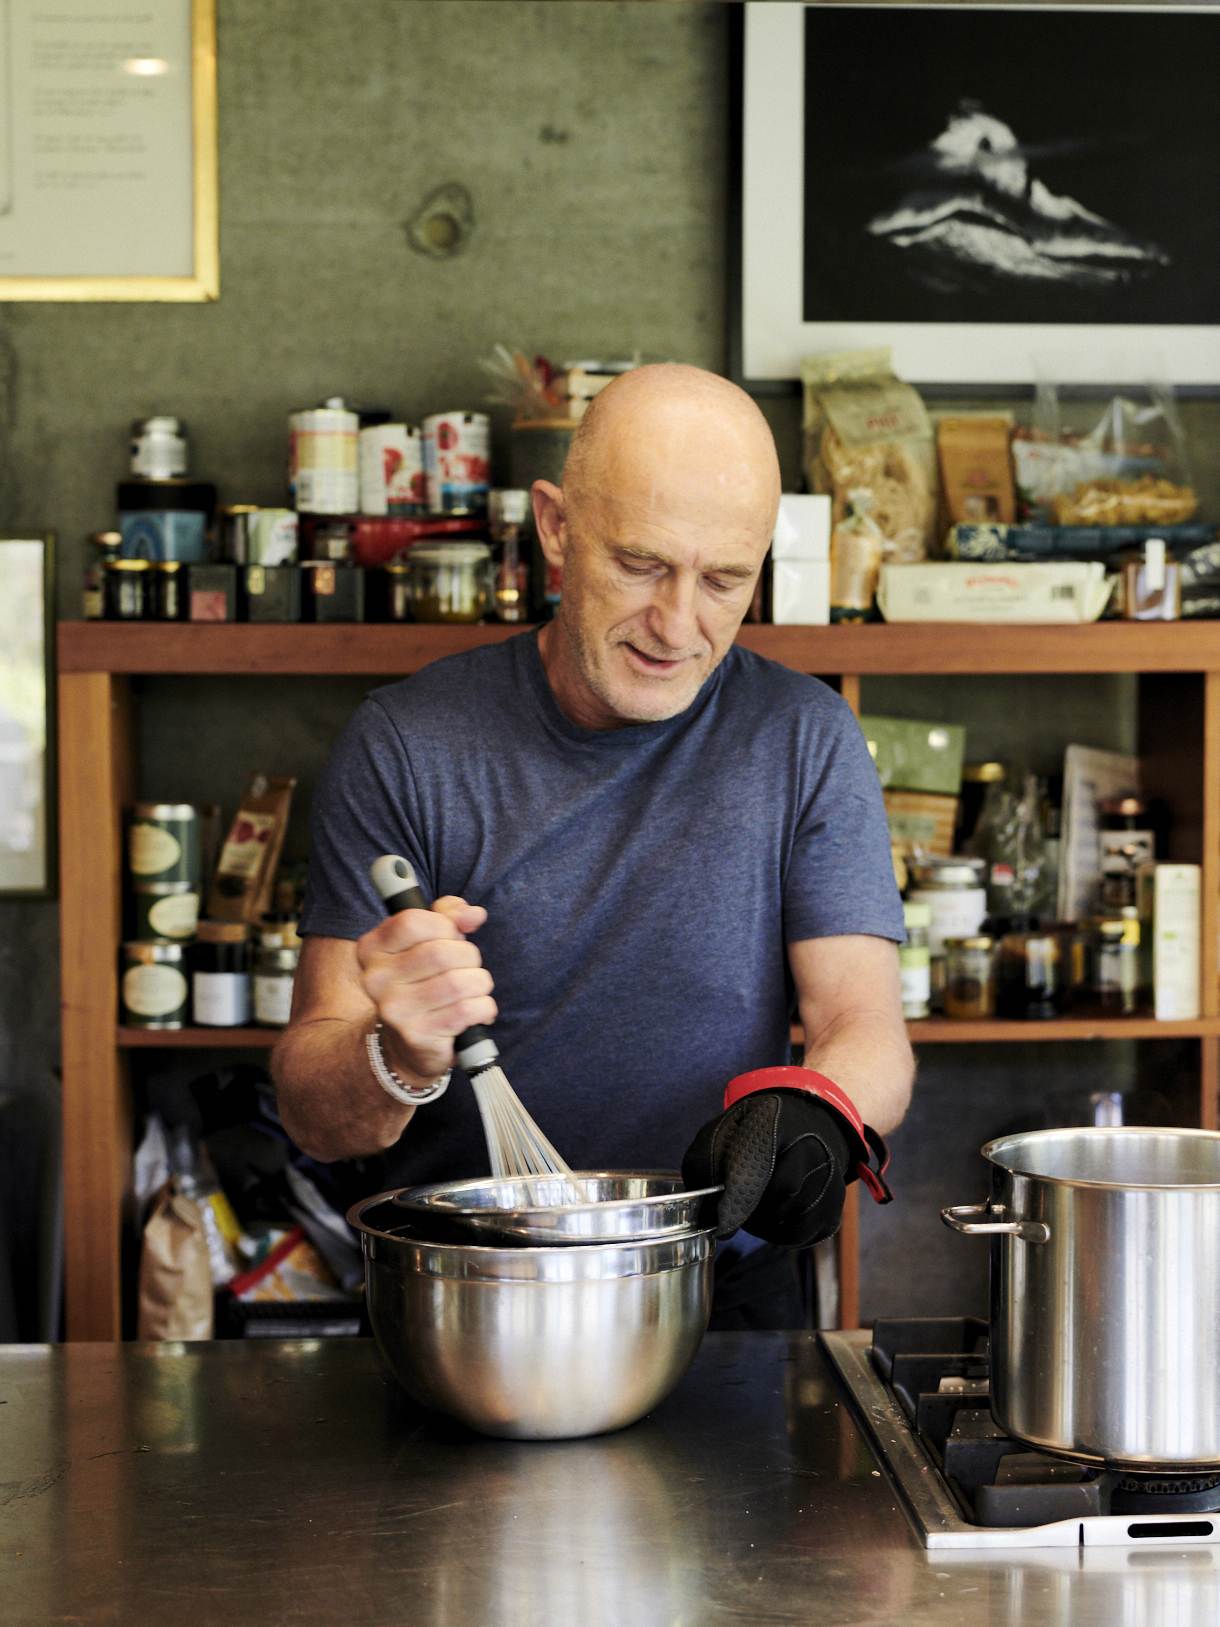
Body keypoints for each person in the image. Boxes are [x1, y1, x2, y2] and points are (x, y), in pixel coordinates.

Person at [273, 363, 914, 1327]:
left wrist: (821, 1106)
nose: (677, 624)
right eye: (642, 564)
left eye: (724, 581)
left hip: (716, 1291)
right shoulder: (410, 743)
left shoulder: (803, 737)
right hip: (463, 1290)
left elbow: (866, 1026)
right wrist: (396, 1050)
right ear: (558, 527)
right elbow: (314, 1115)